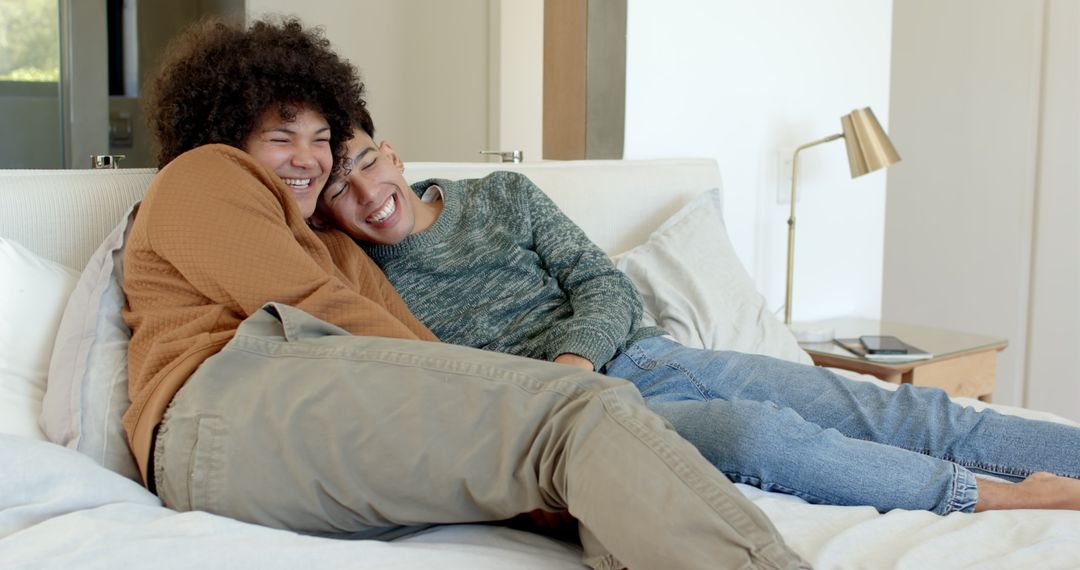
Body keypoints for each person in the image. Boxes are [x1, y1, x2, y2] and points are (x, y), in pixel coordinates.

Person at [122, 17, 810, 570]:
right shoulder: (205, 174)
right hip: (223, 409)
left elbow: (418, 350)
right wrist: (525, 401)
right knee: (582, 410)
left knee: (581, 442)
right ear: (229, 133)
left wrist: (517, 448)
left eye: (321, 139)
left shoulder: (336, 248)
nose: (309, 158)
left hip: (296, 430)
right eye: (282, 137)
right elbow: (313, 307)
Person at [320, 126, 1080, 517]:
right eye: (336, 190)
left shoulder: (503, 195)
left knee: (896, 408)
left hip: (653, 360)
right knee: (759, 437)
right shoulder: (358, 278)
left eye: (365, 163)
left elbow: (605, 286)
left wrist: (573, 362)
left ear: (392, 154)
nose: (365, 194)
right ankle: (998, 498)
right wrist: (565, 392)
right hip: (591, 420)